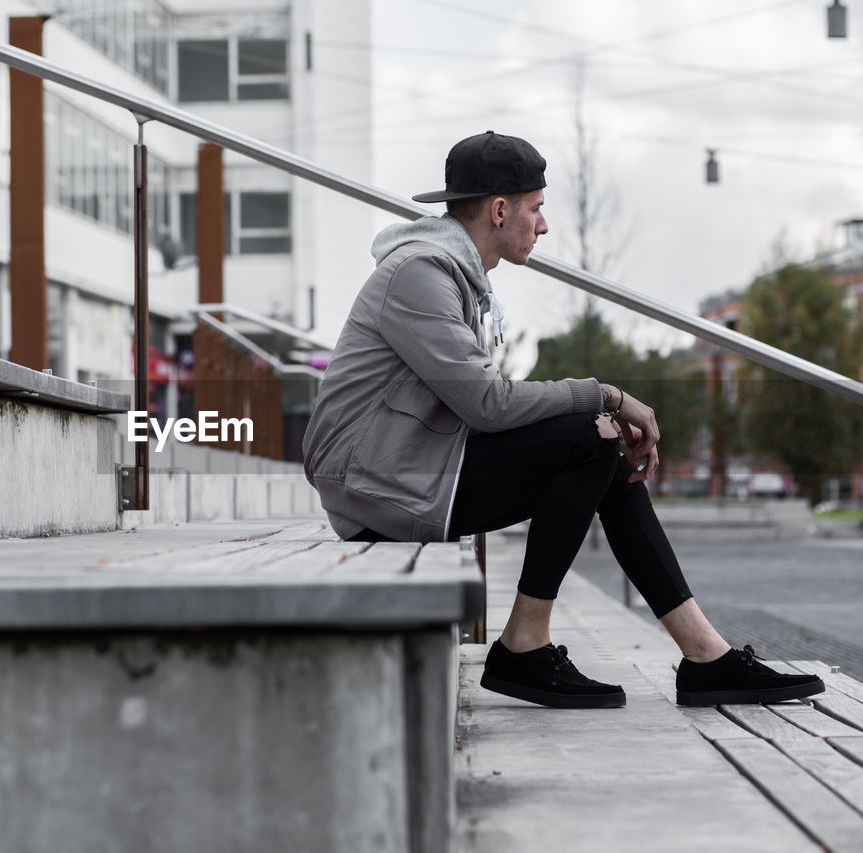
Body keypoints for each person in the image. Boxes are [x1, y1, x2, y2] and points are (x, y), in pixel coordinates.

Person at [302, 131, 823, 709]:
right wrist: (605, 395)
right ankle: (526, 646)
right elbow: (487, 404)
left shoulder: (452, 275)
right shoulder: (420, 275)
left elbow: (479, 405)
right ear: (501, 211)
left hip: (407, 471)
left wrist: (596, 412)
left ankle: (705, 655)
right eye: (536, 208)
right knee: (588, 439)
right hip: (375, 489)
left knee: (600, 448)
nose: (543, 226)